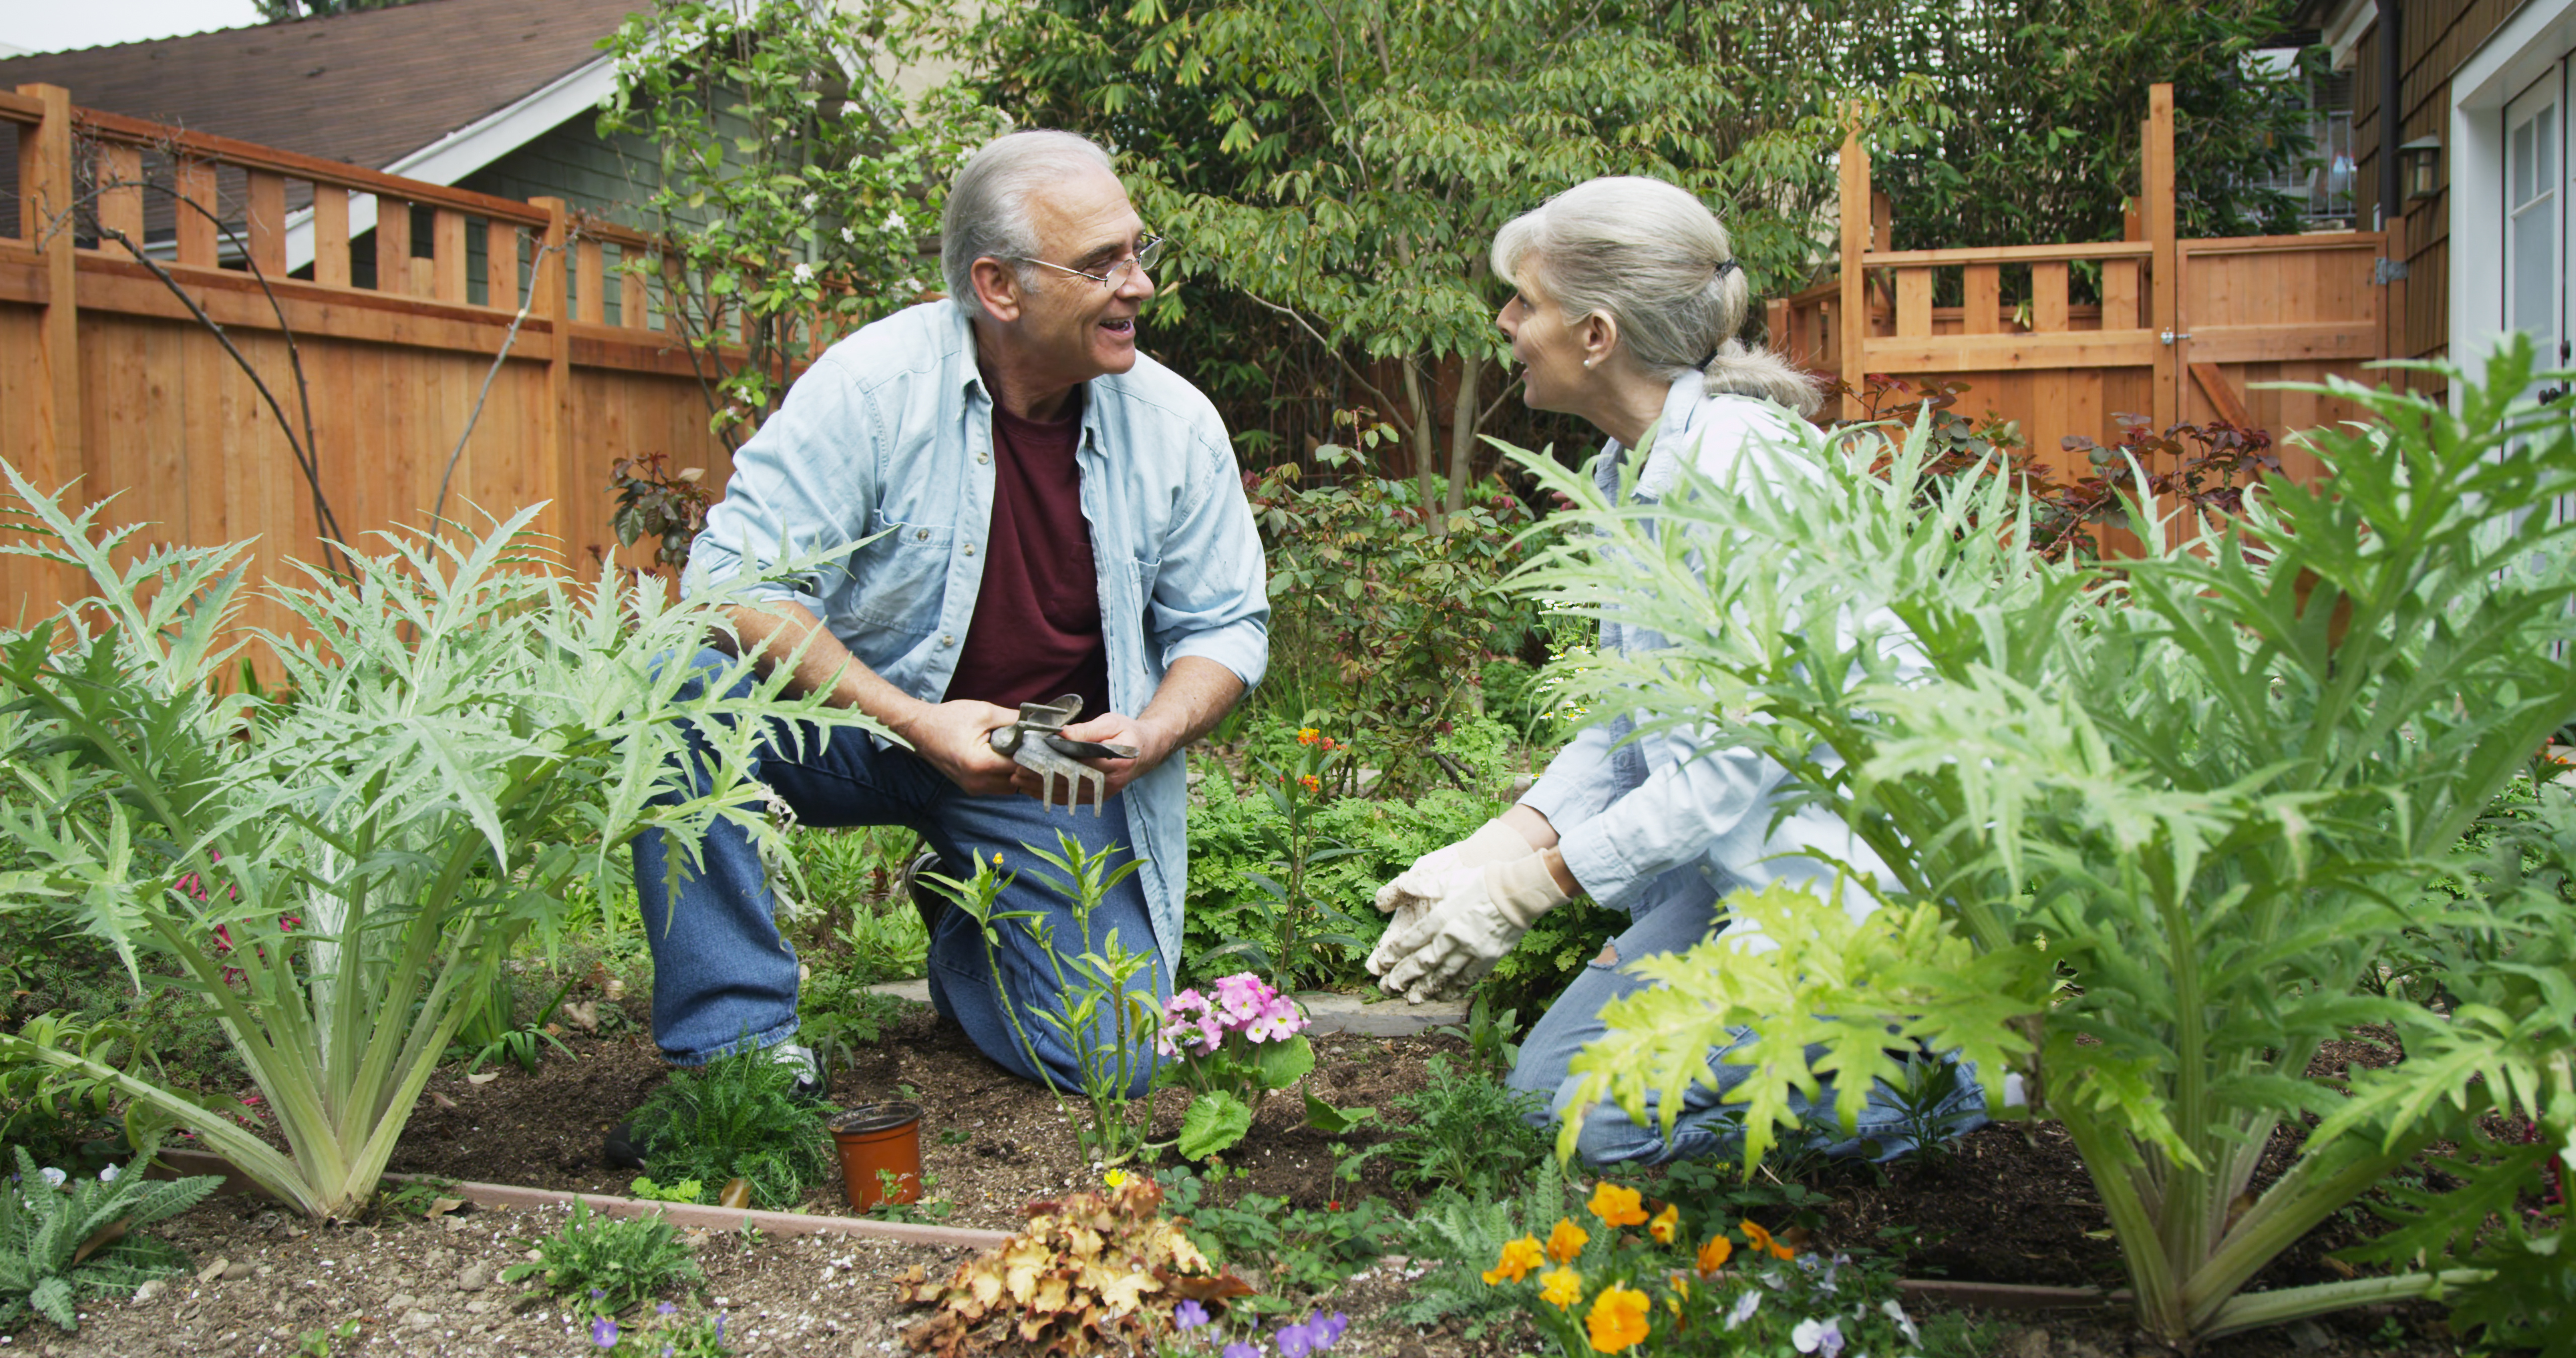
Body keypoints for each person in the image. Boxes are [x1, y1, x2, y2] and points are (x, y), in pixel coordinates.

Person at [608, 130, 1267, 1164]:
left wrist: (1149, 732)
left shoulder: (1175, 425)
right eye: (1101, 265)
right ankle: (736, 1049)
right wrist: (914, 719)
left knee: (1120, 1055)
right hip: (853, 720)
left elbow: (1225, 624)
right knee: (679, 682)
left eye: (1137, 253)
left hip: (1032, 755)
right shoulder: (872, 388)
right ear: (997, 286)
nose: (1137, 285)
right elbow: (732, 578)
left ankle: (964, 914)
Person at [1364, 176, 1985, 1167]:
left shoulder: (1745, 473)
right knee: (1541, 1109)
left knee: (1600, 1132)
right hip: (1734, 873)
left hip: (1833, 893)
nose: (1507, 322)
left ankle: (1937, 1087)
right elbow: (1627, 729)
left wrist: (1532, 889)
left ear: (1598, 334)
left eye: (1526, 301)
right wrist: (1488, 851)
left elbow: (1737, 761)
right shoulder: (1630, 468)